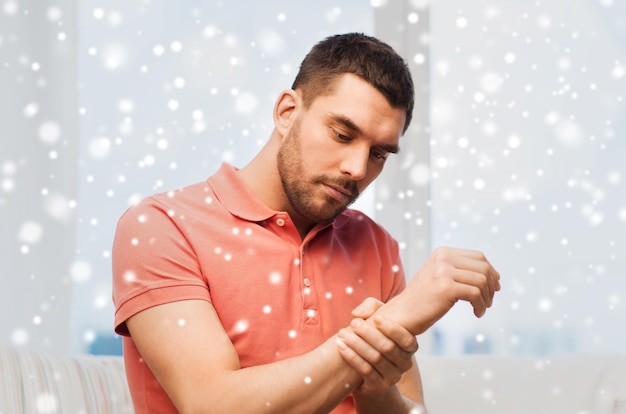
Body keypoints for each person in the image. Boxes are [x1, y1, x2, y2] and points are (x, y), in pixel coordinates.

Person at [112, 32, 501, 414]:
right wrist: (393, 319)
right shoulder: (159, 227)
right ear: (287, 112)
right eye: (342, 134)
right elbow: (213, 404)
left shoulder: (376, 244)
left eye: (380, 154)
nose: (357, 169)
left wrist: (375, 391)